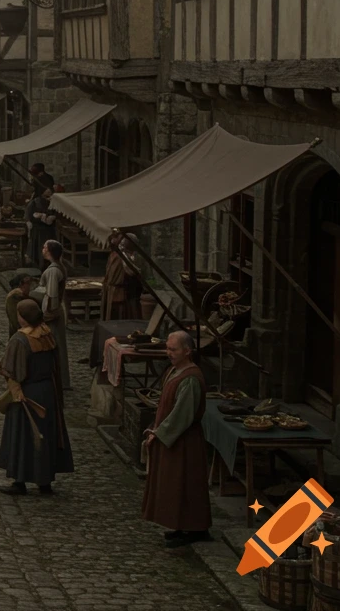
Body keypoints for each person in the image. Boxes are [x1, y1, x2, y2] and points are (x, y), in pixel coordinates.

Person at [141, 331, 212, 548]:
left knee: (186, 483)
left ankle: (195, 528)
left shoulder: (190, 378)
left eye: (173, 349)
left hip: (184, 441)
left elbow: (182, 414)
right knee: (175, 484)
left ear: (187, 351)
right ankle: (180, 526)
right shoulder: (175, 371)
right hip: (174, 440)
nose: (168, 353)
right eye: (168, 348)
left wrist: (160, 433)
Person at [0, 301, 74, 495]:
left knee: (24, 435)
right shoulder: (47, 333)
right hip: (47, 392)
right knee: (44, 435)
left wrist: (16, 391)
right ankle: (44, 482)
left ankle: (20, 481)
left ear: (23, 316)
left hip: (28, 393)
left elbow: (13, 371)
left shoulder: (20, 339)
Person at [39, 240, 70, 390]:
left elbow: (52, 294)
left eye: (45, 247)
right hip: (56, 310)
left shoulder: (53, 271)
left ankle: (58, 379)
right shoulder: (57, 267)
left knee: (54, 345)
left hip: (54, 313)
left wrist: (49, 313)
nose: (42, 249)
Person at [101, 234, 143, 320]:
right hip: (118, 291)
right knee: (119, 315)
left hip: (119, 290)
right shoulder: (120, 256)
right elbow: (132, 272)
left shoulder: (119, 255)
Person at [25, 189, 58, 267]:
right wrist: (38, 217)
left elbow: (56, 213)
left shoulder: (53, 201)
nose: (49, 191)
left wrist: (53, 217)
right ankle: (39, 265)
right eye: (46, 189)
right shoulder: (35, 202)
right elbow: (29, 215)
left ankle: (48, 264)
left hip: (49, 229)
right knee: (39, 249)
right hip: (38, 229)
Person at [5, 273, 36, 337]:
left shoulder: (22, 296)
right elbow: (15, 321)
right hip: (19, 336)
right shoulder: (14, 297)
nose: (30, 287)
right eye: (28, 284)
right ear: (21, 285)